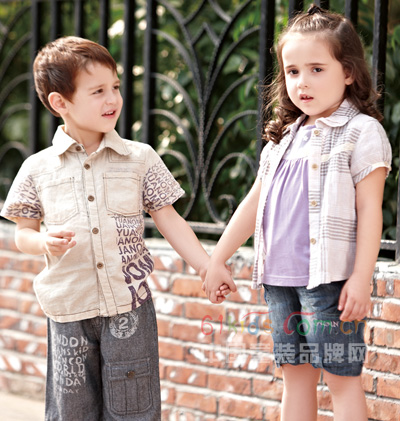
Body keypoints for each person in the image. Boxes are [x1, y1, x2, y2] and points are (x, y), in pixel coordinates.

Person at [0, 36, 230, 420]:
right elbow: (23, 232)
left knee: (133, 409)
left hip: (129, 307)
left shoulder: (140, 158)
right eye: (98, 91)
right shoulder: (37, 169)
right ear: (60, 103)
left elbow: (169, 218)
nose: (113, 99)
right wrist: (42, 241)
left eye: (116, 87)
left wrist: (207, 266)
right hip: (68, 309)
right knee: (73, 411)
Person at [204, 5, 392, 421]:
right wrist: (218, 258)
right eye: (292, 71)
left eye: (316, 69)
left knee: (341, 379)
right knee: (295, 376)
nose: (302, 82)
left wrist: (361, 278)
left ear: (348, 72)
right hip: (279, 280)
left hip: (329, 282)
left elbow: (370, 211)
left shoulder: (361, 132)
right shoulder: (284, 138)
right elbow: (253, 202)